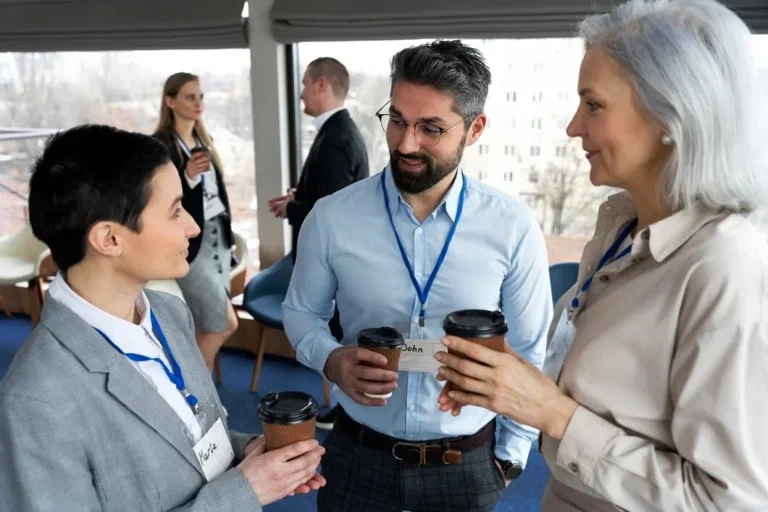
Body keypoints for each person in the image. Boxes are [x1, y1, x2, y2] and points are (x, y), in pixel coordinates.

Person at [433, 1, 768, 511]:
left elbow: (728, 502)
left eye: (593, 104)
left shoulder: (726, 267)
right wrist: (507, 386)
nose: (572, 126)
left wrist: (555, 415)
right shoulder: (621, 229)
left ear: (670, 112)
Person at [282, 40, 553, 511]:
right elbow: (302, 312)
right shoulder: (331, 218)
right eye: (398, 121)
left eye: (431, 128)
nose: (406, 144)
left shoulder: (511, 226)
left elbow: (532, 352)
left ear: (475, 129)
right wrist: (330, 359)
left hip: (465, 462)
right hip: (356, 454)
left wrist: (510, 458)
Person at [0, 125, 325, 511]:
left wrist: (249, 454)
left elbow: (190, 438)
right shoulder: (36, 400)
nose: (192, 226)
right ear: (110, 239)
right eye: (175, 211)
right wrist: (245, 492)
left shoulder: (169, 313)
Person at [269, 57, 369, 430]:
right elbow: (329, 198)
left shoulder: (337, 139)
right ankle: (346, 408)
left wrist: (294, 207)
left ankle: (348, 411)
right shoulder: (338, 131)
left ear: (322, 85)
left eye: (305, 83)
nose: (300, 93)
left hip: (338, 262)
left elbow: (333, 214)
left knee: (342, 334)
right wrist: (297, 199)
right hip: (343, 259)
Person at [154, 72, 237, 373]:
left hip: (218, 237)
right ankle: (194, 392)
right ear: (170, 101)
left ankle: (207, 402)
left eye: (200, 96)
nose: (198, 103)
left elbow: (218, 192)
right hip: (190, 242)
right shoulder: (161, 145)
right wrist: (187, 176)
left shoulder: (203, 138)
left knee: (207, 325)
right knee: (224, 323)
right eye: (190, 97)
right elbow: (160, 200)